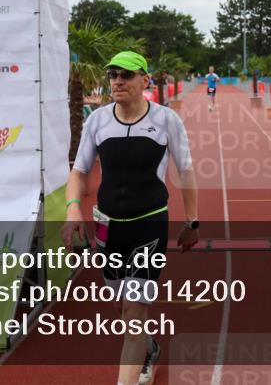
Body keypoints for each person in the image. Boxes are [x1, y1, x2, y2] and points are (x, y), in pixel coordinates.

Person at [63, 51, 198, 385]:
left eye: (126, 75)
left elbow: (186, 171)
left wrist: (191, 222)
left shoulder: (166, 120)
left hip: (149, 224)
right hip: (107, 227)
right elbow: (79, 171)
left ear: (145, 80)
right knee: (121, 307)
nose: (118, 81)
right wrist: (72, 208)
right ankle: (150, 349)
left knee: (135, 310)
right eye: (113, 75)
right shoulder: (97, 120)